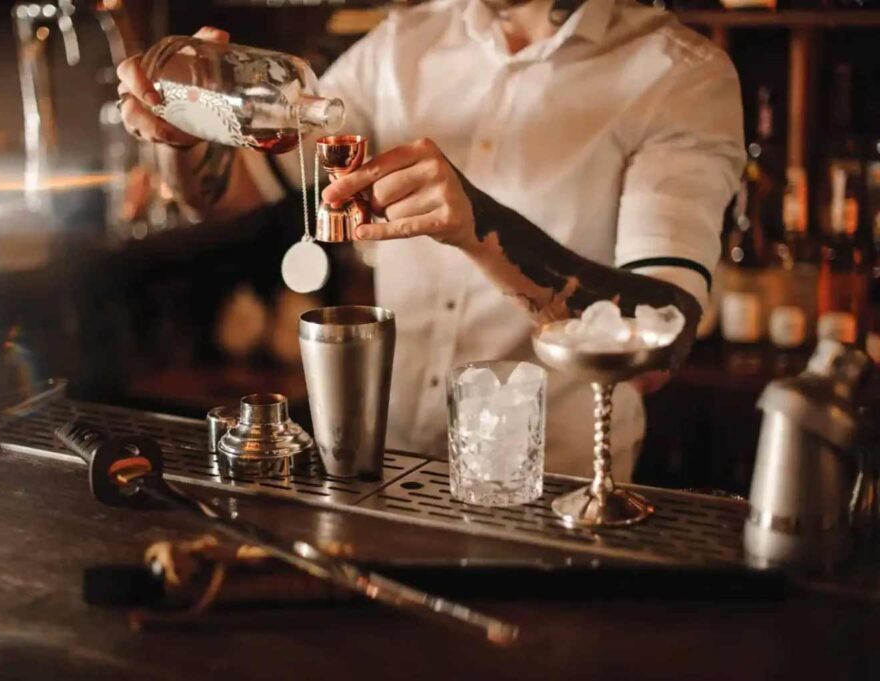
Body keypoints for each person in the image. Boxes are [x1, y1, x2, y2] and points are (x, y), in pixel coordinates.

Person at [116, 0, 744, 480]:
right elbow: (228, 191)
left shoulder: (677, 75)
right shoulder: (402, 44)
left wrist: (482, 228)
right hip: (384, 472)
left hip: (553, 490)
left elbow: (663, 340)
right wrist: (183, 134)